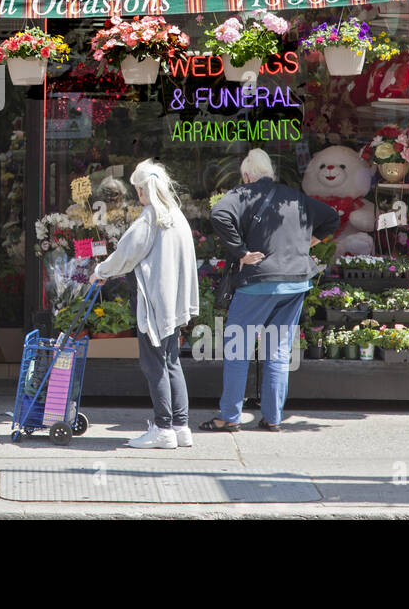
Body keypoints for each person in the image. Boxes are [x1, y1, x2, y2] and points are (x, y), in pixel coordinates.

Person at [203, 148, 339, 433]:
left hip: (258, 282)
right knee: (278, 350)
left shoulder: (243, 194)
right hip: (295, 282)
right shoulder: (294, 196)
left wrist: (241, 252)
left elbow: (218, 214)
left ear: (247, 175)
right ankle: (273, 417)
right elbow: (332, 218)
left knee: (238, 348)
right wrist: (307, 243)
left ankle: (230, 416)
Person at [92, 160, 199, 449]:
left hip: (155, 303)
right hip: (175, 302)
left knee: (154, 365)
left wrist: (100, 271)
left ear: (141, 190)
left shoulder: (150, 218)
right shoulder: (176, 215)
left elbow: (125, 254)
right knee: (171, 362)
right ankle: (181, 427)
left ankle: (163, 429)